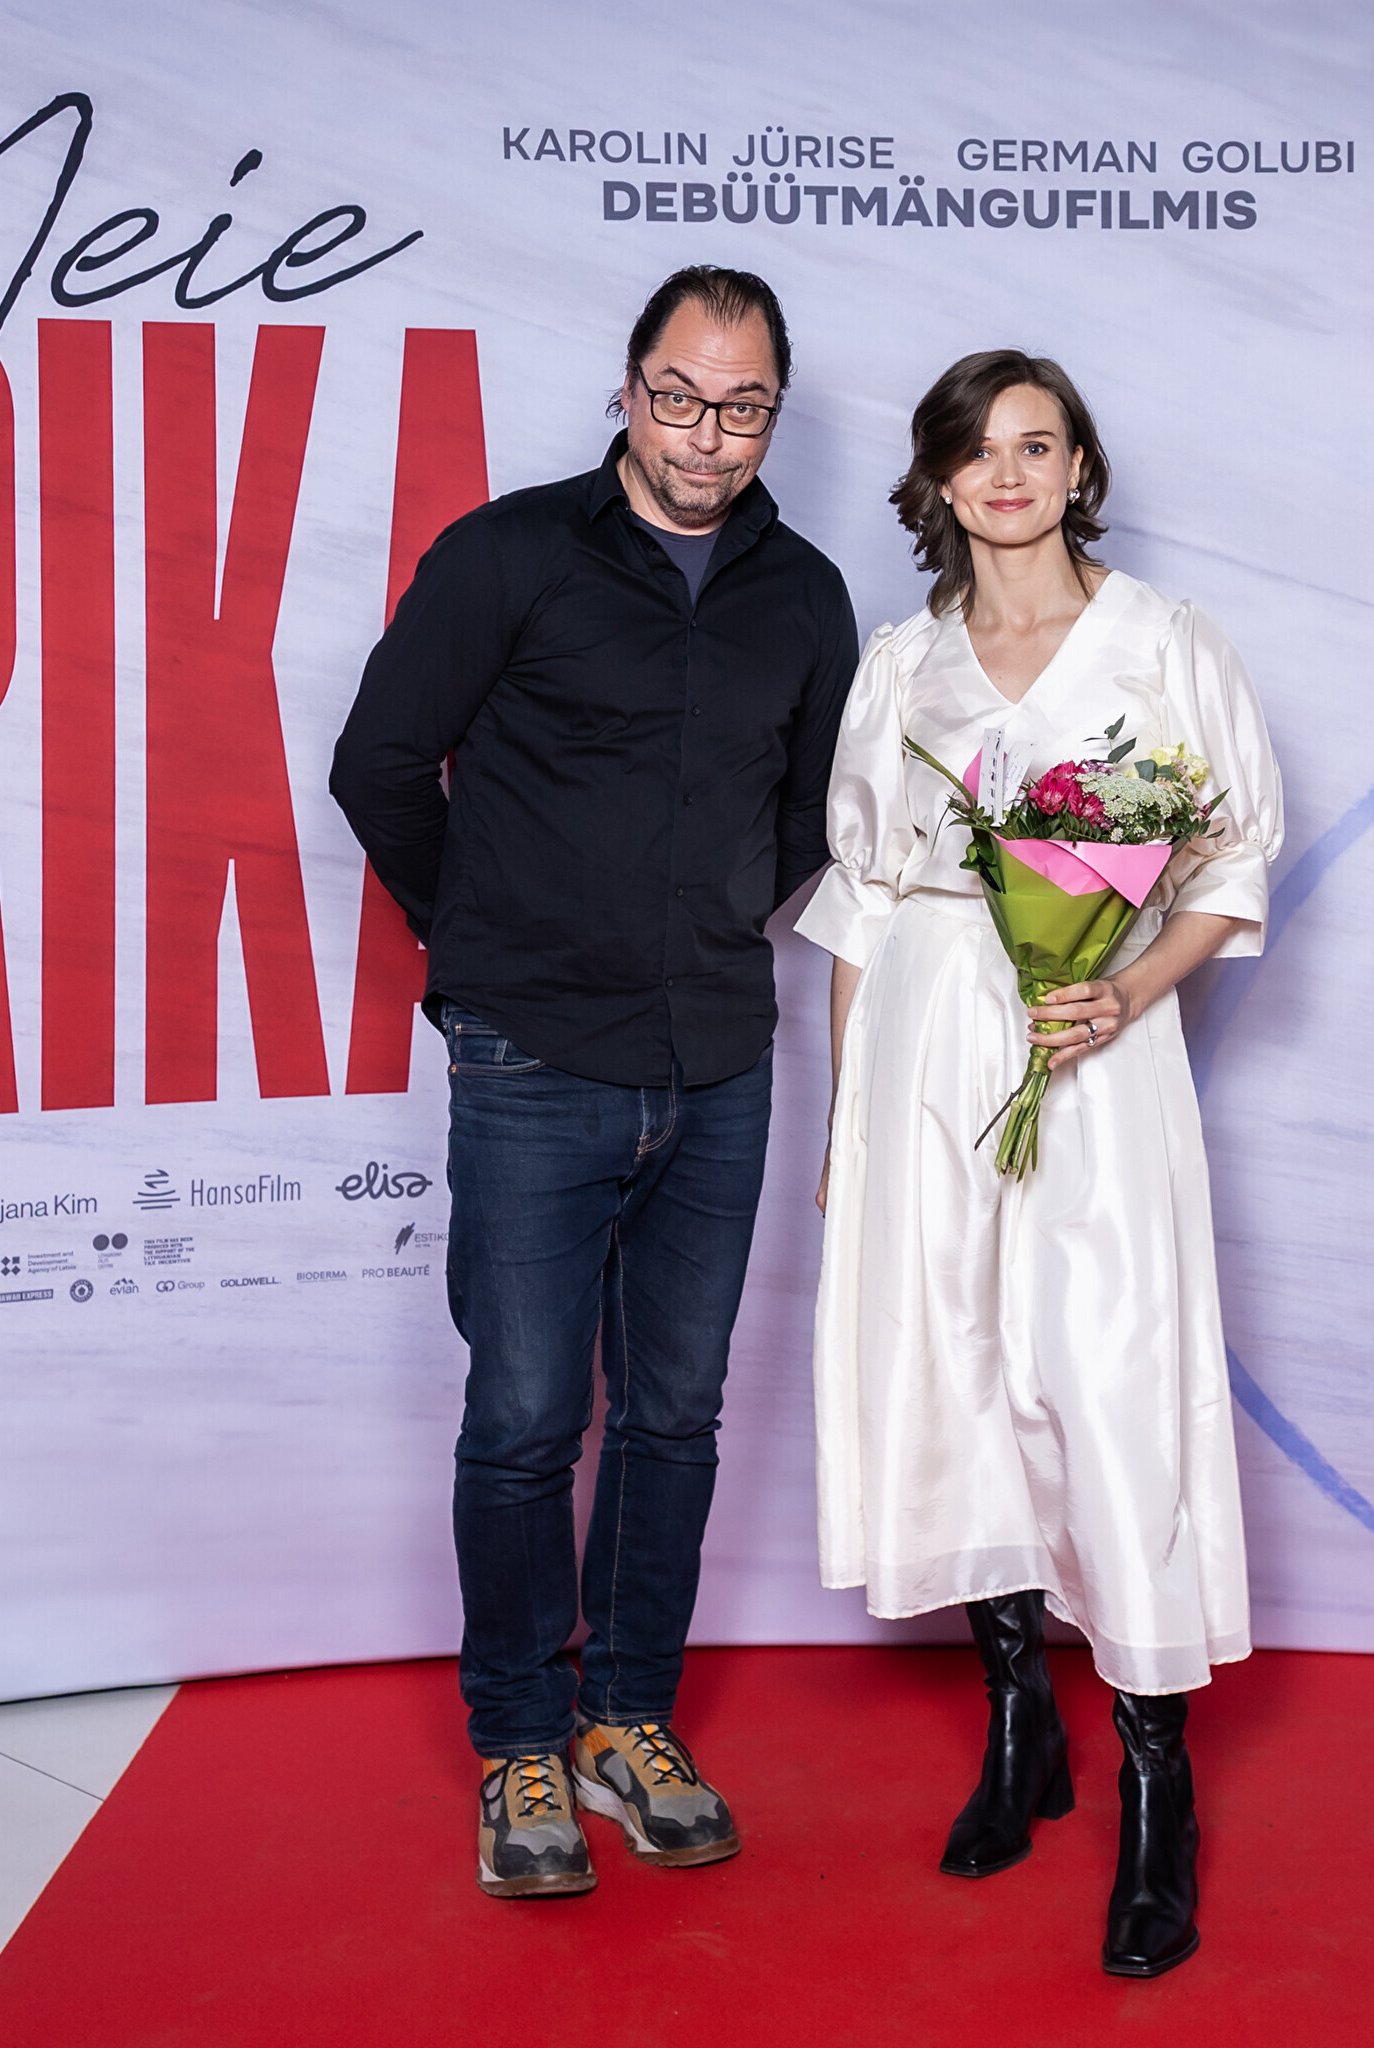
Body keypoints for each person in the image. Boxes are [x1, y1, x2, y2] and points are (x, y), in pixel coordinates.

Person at [330, 266, 858, 1899]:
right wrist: (484, 938)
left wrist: (708, 918)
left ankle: (631, 1717)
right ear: (628, 389)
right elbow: (377, 763)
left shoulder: (805, 593)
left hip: (719, 1058)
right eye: (679, 398)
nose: (707, 437)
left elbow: (811, 811)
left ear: (774, 414)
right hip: (531, 1056)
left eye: (742, 407)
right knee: (523, 1419)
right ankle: (519, 1742)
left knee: (676, 1414)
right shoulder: (507, 554)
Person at [799, 350, 1283, 1976]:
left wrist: (1130, 991)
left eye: (1036, 443)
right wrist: (848, 1119)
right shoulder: (903, 660)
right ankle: (1020, 1722)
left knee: (1107, 1377)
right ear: (938, 480)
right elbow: (864, 898)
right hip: (927, 1042)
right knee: (949, 1362)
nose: (1006, 474)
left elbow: (1232, 858)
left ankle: (1157, 1784)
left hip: (1091, 1043)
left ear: (1079, 467)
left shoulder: (1165, 642)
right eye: (975, 449)